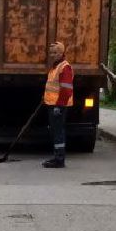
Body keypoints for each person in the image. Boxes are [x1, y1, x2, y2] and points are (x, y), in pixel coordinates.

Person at [42, 40, 73, 168]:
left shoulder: (64, 67)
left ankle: (59, 159)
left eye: (55, 52)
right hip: (52, 104)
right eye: (51, 53)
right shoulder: (56, 67)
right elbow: (52, 86)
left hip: (58, 105)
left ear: (61, 53)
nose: (52, 55)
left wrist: (59, 106)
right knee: (55, 131)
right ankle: (57, 157)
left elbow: (66, 89)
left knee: (58, 131)